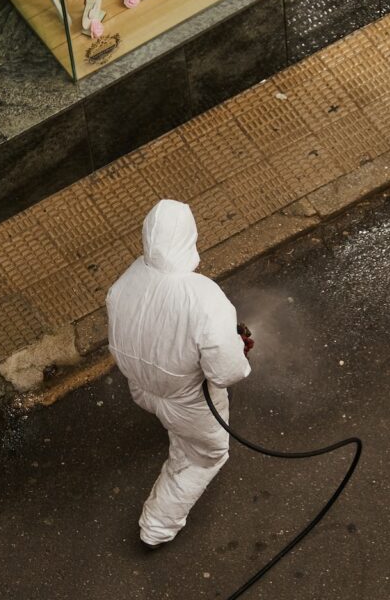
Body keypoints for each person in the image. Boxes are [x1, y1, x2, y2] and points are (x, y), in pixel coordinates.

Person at [106, 199, 253, 548]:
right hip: (185, 401)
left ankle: (178, 434)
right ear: (190, 238)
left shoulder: (126, 280)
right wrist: (234, 350)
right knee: (206, 455)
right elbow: (226, 373)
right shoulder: (203, 297)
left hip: (143, 390)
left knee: (179, 428)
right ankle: (157, 526)